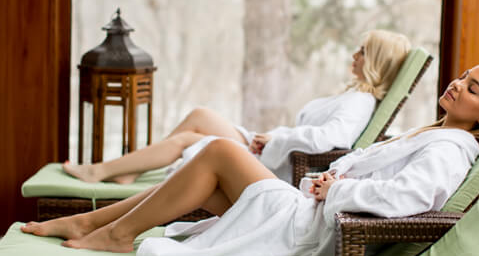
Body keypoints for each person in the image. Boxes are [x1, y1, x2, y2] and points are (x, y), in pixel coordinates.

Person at [21, 62, 479, 256]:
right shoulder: (437, 133)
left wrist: (336, 192)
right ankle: (92, 221)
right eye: (462, 77)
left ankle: (107, 231)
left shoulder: (452, 149)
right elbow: (370, 174)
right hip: (311, 211)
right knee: (203, 175)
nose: (458, 84)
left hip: (323, 234)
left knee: (219, 153)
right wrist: (331, 179)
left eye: (472, 88)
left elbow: (410, 199)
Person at [63, 29, 412, 184]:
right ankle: (128, 171)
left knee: (187, 139)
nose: (355, 55)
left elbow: (327, 140)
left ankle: (102, 171)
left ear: (376, 61)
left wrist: (274, 141)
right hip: (272, 149)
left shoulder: (360, 102)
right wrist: (273, 136)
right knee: (199, 115)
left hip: (275, 166)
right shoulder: (354, 95)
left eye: (363, 51)